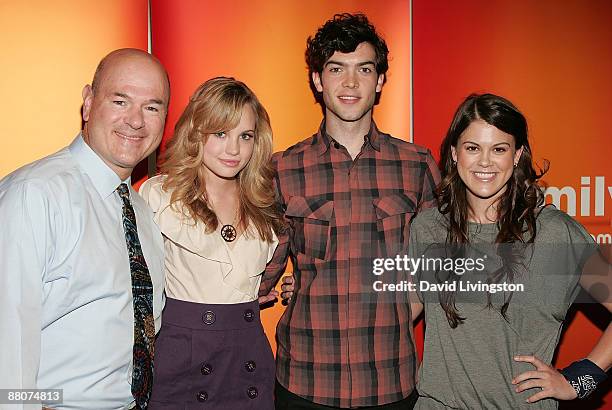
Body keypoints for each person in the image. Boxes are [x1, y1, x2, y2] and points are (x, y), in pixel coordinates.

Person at [259, 13, 441, 409]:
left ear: (379, 82)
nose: (351, 83)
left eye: (364, 69)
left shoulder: (417, 164)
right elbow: (257, 272)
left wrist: (398, 309)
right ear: (318, 80)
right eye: (336, 69)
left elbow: (440, 267)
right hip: (305, 380)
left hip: (390, 380)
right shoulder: (283, 169)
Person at [407, 93, 611, 409]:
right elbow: (404, 309)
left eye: (499, 149)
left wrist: (581, 379)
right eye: (472, 148)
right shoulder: (428, 227)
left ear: (517, 156)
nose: (485, 161)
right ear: (454, 153)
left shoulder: (554, 233)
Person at [0, 49, 169, 409]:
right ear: (89, 103)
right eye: (120, 100)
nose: (136, 121)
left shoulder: (143, 211)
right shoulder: (35, 194)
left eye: (152, 107)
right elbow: (8, 346)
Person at [139, 77, 284, 409]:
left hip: (247, 356)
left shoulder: (263, 204)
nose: (233, 149)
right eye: (220, 134)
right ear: (196, 133)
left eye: (244, 136)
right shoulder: (160, 195)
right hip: (180, 357)